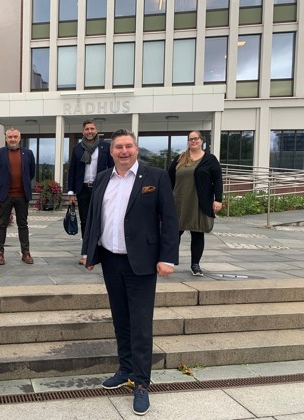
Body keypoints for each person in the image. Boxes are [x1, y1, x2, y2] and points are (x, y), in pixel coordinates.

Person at [82, 129, 179, 416]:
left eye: (128, 146)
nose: (123, 151)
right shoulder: (103, 178)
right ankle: (125, 369)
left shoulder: (156, 177)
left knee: (140, 324)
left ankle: (141, 383)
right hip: (111, 260)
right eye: (118, 147)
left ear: (136, 149)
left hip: (143, 263)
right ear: (111, 151)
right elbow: (93, 217)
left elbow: (170, 219)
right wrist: (88, 251)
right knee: (121, 320)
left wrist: (167, 258)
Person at [168, 130, 223, 276]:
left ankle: (195, 265)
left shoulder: (210, 159)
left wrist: (218, 199)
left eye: (196, 138)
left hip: (199, 202)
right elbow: (169, 179)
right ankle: (169, 261)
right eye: (190, 139)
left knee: (197, 233)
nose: (193, 141)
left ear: (201, 140)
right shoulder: (180, 158)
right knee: (174, 233)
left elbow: (218, 180)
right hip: (179, 201)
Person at [67, 120, 114, 265]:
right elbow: (72, 170)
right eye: (87, 129)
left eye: (92, 128)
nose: (89, 131)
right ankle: (86, 253)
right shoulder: (78, 148)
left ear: (96, 130)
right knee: (85, 221)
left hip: (101, 188)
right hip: (83, 190)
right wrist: (71, 192)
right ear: (83, 131)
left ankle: (102, 251)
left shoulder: (105, 146)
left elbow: (112, 168)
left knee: (103, 220)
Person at [0, 127, 36, 265]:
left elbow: (31, 173)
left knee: (23, 224)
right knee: (1, 225)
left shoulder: (28, 153)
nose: (13, 139)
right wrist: (2, 184)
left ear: (19, 138)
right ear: (6, 139)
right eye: (10, 137)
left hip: (22, 195)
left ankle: (25, 252)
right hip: (5, 195)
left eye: (15, 137)